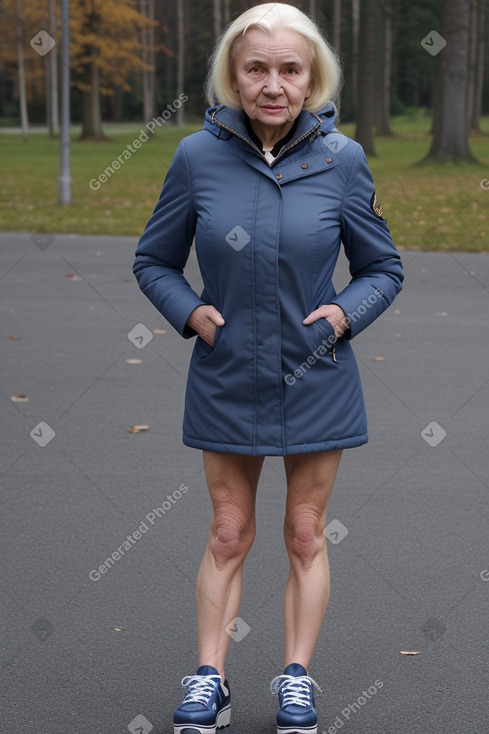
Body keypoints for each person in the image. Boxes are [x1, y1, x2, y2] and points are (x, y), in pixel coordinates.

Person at [133, 3, 404, 733]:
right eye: (257, 68)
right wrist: (191, 313)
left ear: (311, 78)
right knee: (227, 531)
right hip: (228, 375)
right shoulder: (196, 156)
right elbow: (153, 260)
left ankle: (295, 679)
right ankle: (210, 680)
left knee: (306, 532)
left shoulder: (340, 160)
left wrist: (345, 314)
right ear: (234, 75)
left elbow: (382, 268)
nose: (273, 84)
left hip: (318, 375)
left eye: (290, 69)